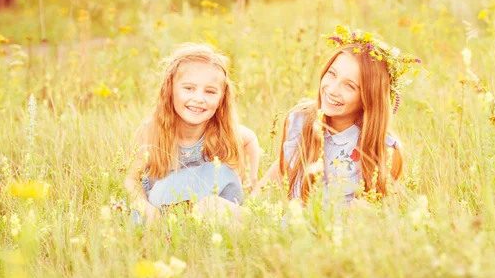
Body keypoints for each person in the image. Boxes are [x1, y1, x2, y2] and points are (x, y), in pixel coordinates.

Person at [259, 25, 420, 204]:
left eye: (349, 85)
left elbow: (388, 211)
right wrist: (250, 206)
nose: (333, 90)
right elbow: (282, 169)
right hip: (292, 228)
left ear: (369, 98)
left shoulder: (384, 149)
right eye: (332, 74)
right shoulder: (299, 120)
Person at [124, 43, 259, 223]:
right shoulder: (152, 132)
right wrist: (146, 209)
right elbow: (131, 179)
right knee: (137, 221)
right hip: (163, 207)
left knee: (221, 179)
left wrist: (250, 179)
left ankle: (247, 220)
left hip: (208, 207)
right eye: (189, 88)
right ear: (170, 90)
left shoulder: (222, 132)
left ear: (221, 99)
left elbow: (249, 139)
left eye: (210, 92)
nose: (198, 99)